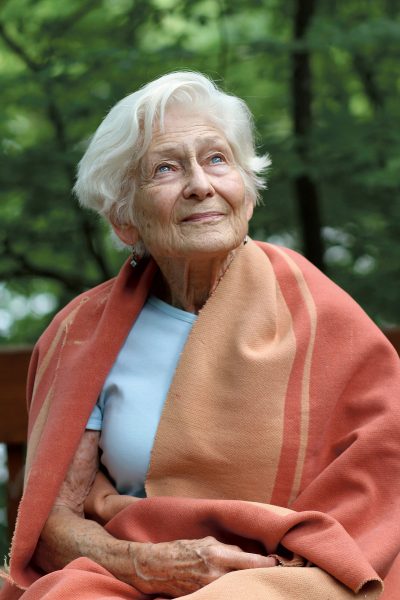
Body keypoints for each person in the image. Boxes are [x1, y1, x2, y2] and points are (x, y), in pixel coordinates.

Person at [1, 71, 399, 600]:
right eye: (166, 168)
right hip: (130, 575)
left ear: (246, 188)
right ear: (124, 219)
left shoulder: (322, 313)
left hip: (293, 575)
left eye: (216, 159)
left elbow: (382, 481)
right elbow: (52, 523)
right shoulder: (84, 335)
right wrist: (140, 563)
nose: (200, 184)